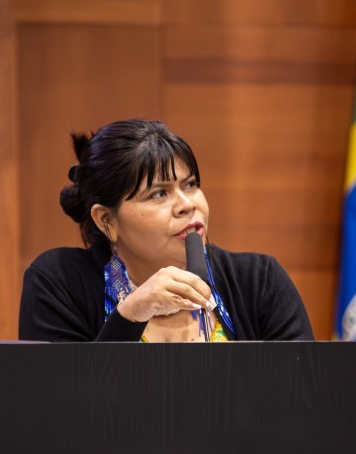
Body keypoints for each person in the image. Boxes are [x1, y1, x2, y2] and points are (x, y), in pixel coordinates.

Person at [18, 119, 313, 342]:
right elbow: (61, 400)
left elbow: (305, 394)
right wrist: (131, 315)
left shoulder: (259, 281)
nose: (187, 205)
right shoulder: (59, 283)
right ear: (106, 220)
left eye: (190, 185)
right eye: (159, 194)